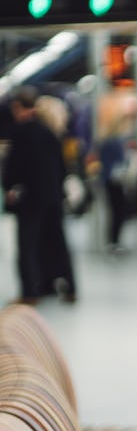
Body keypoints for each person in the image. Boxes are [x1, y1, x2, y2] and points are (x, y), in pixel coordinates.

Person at [2, 85, 77, 304]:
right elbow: (62, 167)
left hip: (29, 199)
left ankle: (29, 292)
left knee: (27, 246)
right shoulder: (49, 133)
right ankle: (68, 287)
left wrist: (9, 187)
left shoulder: (21, 133)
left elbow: (14, 166)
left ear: (18, 107)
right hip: (53, 196)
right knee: (57, 243)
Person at [97, 121, 129, 252]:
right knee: (118, 211)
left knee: (112, 211)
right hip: (115, 181)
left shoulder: (104, 142)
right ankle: (115, 241)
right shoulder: (116, 143)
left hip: (106, 180)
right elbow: (122, 161)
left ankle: (111, 240)